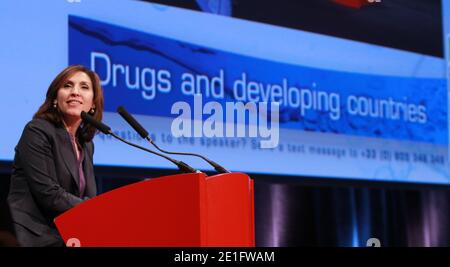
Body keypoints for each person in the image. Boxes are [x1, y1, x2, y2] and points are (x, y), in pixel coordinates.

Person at [7, 65, 104, 247]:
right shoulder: (37, 130)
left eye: (84, 87)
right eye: (67, 86)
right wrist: (98, 210)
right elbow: (49, 194)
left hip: (66, 236)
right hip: (31, 236)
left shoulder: (85, 144)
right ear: (55, 98)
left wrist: (98, 211)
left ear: (93, 104)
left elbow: (89, 196)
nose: (75, 92)